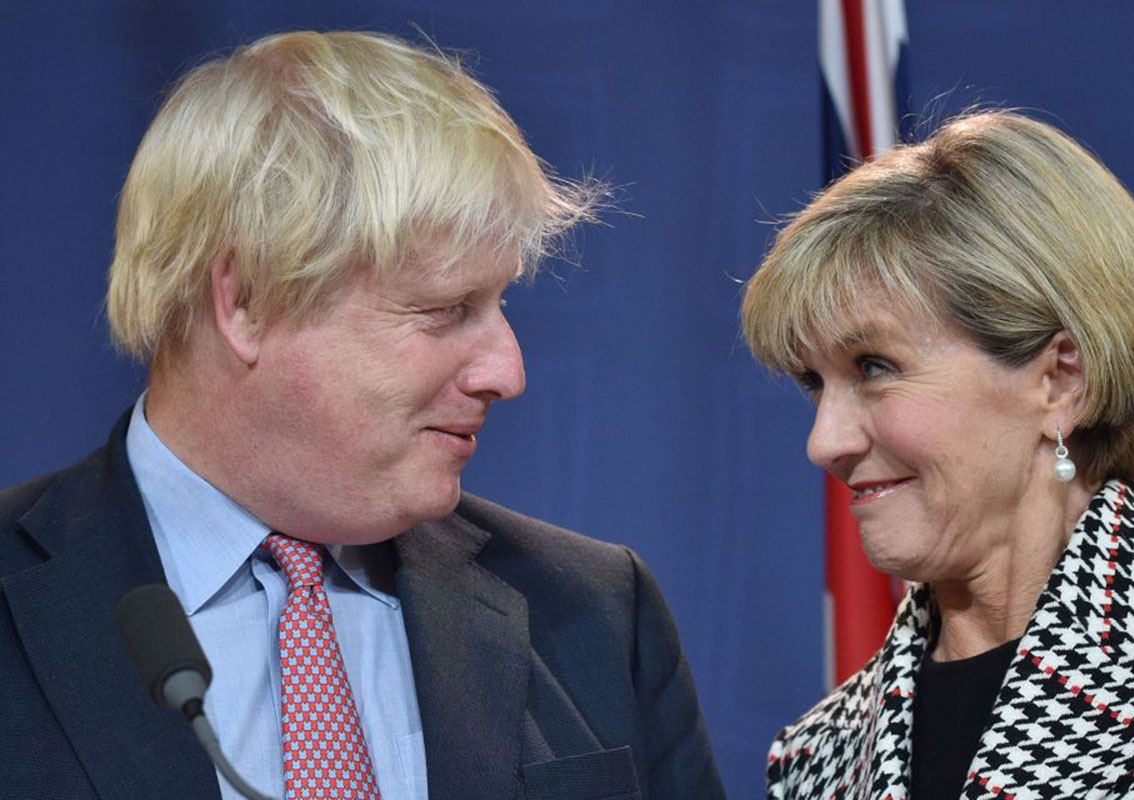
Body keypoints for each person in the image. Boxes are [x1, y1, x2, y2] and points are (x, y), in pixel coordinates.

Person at [0, 30, 724, 800]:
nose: (508, 373)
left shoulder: (596, 613)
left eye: (500, 304)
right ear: (246, 301)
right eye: (445, 311)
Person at [742, 110, 1134, 798]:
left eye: (874, 367)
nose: (825, 443)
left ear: (1060, 381)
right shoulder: (816, 759)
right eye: (814, 383)